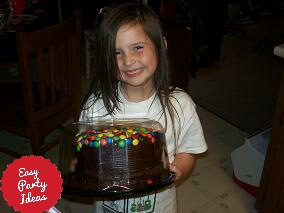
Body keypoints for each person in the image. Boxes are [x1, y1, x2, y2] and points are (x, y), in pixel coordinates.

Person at [80, 2, 208, 212]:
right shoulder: (95, 107)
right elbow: (82, 156)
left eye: (137, 47)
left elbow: (188, 150)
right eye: (116, 53)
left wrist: (179, 170)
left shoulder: (180, 105)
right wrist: (84, 169)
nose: (128, 60)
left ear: (161, 45)